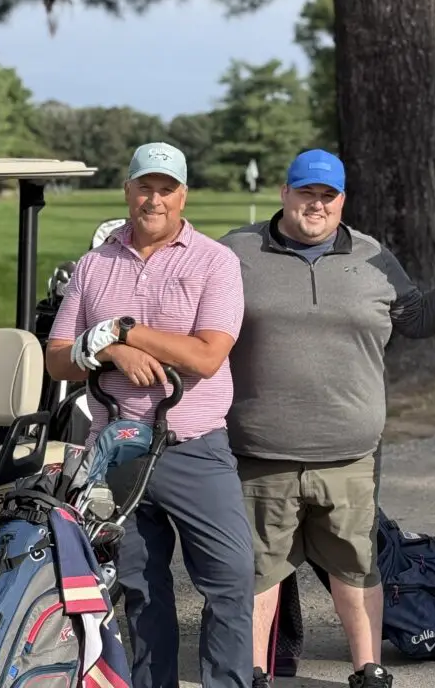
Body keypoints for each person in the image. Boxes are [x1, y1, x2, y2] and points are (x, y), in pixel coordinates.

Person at [220, 148, 435, 688]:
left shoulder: (373, 257)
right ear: (285, 193)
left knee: (356, 564)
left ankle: (369, 670)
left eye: (328, 196)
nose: (316, 205)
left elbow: (416, 319)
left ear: (342, 200)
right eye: (306, 193)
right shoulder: (236, 251)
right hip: (260, 452)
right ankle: (250, 674)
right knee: (259, 570)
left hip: (350, 454)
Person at [46, 142, 254, 688]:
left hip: (195, 446)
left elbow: (207, 356)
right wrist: (109, 351)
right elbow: (56, 358)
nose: (153, 199)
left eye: (166, 189)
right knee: (140, 589)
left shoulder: (215, 260)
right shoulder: (94, 264)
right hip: (116, 449)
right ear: (128, 190)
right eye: (145, 187)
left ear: (183, 195)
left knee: (230, 582)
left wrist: (126, 330)